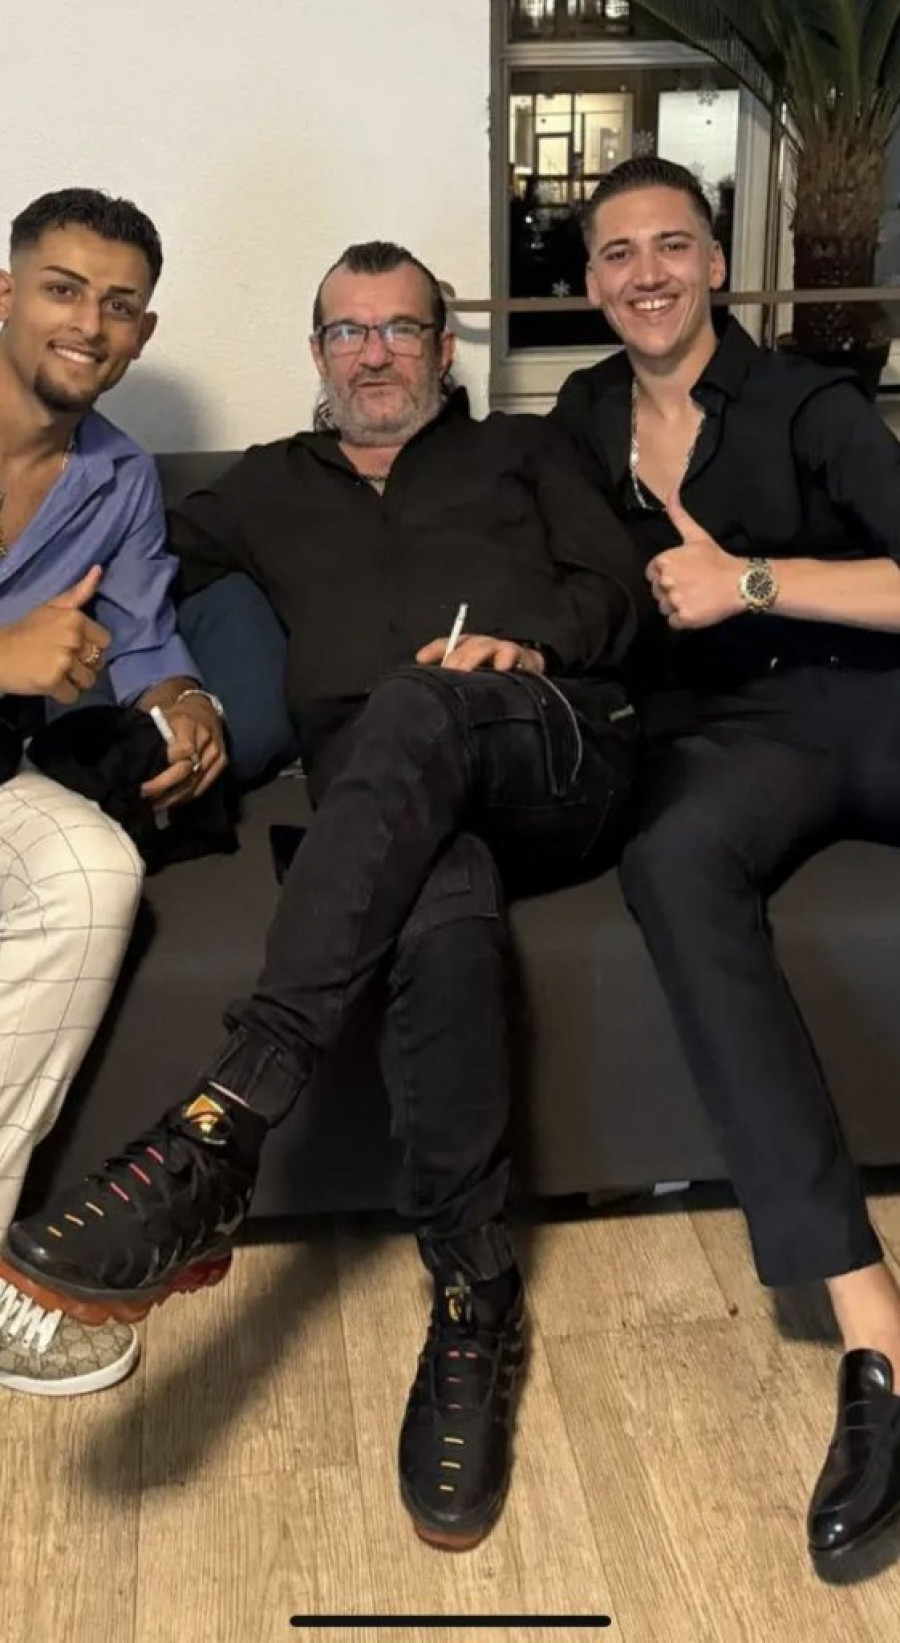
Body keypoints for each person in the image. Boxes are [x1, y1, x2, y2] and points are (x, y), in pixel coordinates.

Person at [1, 239, 646, 1548]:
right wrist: (177, 696)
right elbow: (133, 580)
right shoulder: (258, 486)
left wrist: (535, 646)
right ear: (315, 354)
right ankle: (474, 1302)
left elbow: (622, 595)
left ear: (444, 350)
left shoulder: (525, 452)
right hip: (389, 812)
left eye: (401, 329)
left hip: (547, 743)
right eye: (348, 331)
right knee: (440, 904)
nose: (374, 353)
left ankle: (222, 1123)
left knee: (416, 702)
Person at [551, 154, 900, 1567]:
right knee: (673, 862)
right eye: (618, 252)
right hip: (725, 739)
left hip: (871, 694)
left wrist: (752, 579)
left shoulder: (812, 404)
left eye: (672, 244)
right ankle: (877, 1335)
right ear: (591, 281)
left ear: (713, 263)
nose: (646, 272)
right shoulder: (582, 416)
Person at [0, 188, 226, 1398]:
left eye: (119, 304)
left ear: (144, 332)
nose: (89, 323)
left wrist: (186, 703)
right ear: (5, 294)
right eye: (63, 288)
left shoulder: (121, 475)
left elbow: (142, 639)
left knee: (97, 866)